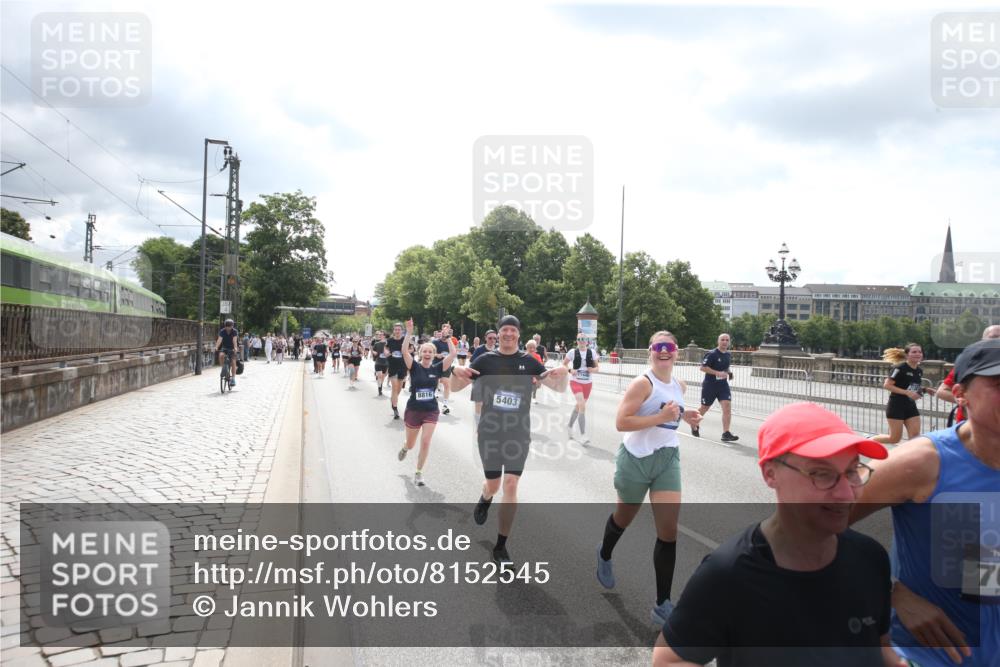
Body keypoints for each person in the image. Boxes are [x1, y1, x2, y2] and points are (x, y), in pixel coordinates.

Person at [653, 402, 897, 666]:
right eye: (821, 474)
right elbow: (669, 660)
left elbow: (880, 645)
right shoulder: (729, 574)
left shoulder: (871, 558)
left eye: (851, 471)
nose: (847, 493)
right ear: (770, 473)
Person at [851, 338, 1000, 667]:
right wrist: (888, 594)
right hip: (929, 655)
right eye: (998, 384)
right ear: (960, 395)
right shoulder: (920, 461)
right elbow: (806, 525)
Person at [595, 332, 702, 625]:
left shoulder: (679, 384)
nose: (664, 352)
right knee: (623, 518)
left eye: (669, 348)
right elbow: (621, 422)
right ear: (651, 352)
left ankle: (662, 604)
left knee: (668, 531)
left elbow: (671, 411)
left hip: (667, 459)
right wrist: (661, 417)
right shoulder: (643, 383)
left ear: (677, 352)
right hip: (635, 461)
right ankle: (604, 553)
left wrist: (686, 414)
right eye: (659, 347)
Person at [450, 315, 569, 565]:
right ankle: (485, 497)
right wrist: (455, 371)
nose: (508, 334)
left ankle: (501, 547)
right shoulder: (485, 360)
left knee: (512, 485)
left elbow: (558, 388)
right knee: (493, 486)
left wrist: (564, 373)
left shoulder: (530, 362)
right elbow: (455, 387)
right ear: (499, 333)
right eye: (504, 330)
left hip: (518, 432)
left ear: (518, 334)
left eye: (513, 330)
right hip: (490, 432)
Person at [397, 318, 456, 486]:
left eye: (431, 352)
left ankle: (418, 472)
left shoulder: (437, 368)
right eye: (425, 351)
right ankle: (405, 447)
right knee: (411, 443)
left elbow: (452, 354)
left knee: (426, 441)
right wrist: (409, 333)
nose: (428, 354)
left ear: (433, 354)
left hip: (431, 410)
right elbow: (404, 351)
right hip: (414, 409)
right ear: (421, 353)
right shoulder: (414, 367)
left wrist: (449, 337)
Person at [936, 324, 1000, 426]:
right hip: (970, 428)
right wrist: (972, 402)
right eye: (994, 337)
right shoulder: (969, 363)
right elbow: (941, 392)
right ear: (982, 340)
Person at [872, 343, 935, 445]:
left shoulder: (919, 371)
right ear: (907, 355)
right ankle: (870, 440)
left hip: (910, 406)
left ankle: (912, 460)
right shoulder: (899, 368)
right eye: (914, 352)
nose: (917, 354)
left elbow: (911, 387)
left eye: (920, 352)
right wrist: (907, 393)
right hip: (896, 406)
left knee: (915, 438)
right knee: (894, 439)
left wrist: (924, 389)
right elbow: (887, 385)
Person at [693, 333, 738, 442]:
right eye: (722, 340)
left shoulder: (727, 354)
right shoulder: (712, 354)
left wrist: (729, 372)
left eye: (727, 340)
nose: (725, 342)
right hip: (710, 385)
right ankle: (694, 422)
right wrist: (717, 373)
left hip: (723, 385)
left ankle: (726, 433)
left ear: (729, 342)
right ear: (718, 341)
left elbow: (726, 367)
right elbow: (703, 368)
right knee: (705, 407)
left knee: (727, 407)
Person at [563, 334, 600, 444]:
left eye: (583, 339)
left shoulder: (592, 352)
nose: (581, 341)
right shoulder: (572, 352)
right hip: (575, 382)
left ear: (587, 341)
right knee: (582, 406)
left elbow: (597, 368)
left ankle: (569, 426)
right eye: (579, 339)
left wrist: (592, 370)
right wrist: (570, 370)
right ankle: (583, 435)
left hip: (587, 383)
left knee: (578, 407)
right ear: (577, 341)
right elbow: (564, 364)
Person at [469, 329, 498, 425]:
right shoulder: (480, 349)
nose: (492, 340)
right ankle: (478, 422)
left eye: (495, 338)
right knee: (479, 402)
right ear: (485, 338)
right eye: (490, 338)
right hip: (479, 379)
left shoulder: (499, 349)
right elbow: (472, 362)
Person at [432, 323, 456, 414]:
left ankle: (445, 405)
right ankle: (432, 401)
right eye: (444, 329)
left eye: (448, 329)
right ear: (442, 330)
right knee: (434, 384)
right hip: (436, 365)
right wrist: (436, 355)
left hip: (447, 366)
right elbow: (429, 353)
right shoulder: (435, 342)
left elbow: (454, 353)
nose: (446, 330)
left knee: (446, 384)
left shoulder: (451, 342)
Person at [386, 323, 407, 420]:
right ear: (393, 331)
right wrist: (387, 353)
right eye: (396, 329)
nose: (397, 331)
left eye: (399, 329)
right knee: (394, 387)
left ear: (402, 331)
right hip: (393, 366)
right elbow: (385, 348)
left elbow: (412, 349)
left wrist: (407, 352)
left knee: (398, 389)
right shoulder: (390, 340)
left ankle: (393, 400)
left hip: (403, 366)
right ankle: (395, 409)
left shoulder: (405, 340)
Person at [215, 318, 240, 387]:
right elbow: (219, 340)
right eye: (227, 326)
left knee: (233, 362)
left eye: (230, 326)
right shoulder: (222, 331)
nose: (228, 328)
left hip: (232, 348)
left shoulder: (234, 331)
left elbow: (234, 340)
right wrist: (216, 347)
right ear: (225, 326)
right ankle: (223, 369)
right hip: (225, 348)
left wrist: (235, 348)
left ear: (232, 326)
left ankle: (233, 379)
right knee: (221, 355)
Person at [371, 330, 389, 396]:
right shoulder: (377, 344)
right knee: (380, 375)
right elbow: (373, 351)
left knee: (382, 377)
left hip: (386, 363)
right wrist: (374, 353)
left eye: (381, 334)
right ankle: (379, 389)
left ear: (384, 336)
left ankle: (380, 385)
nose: (380, 335)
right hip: (378, 362)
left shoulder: (388, 344)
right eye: (379, 334)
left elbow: (391, 352)